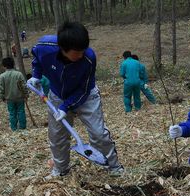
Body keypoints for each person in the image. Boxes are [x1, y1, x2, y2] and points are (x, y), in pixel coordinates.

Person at [27, 22, 123, 178]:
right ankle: (61, 169)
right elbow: (36, 57)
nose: (81, 55)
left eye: (83, 50)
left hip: (86, 96)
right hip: (57, 95)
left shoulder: (89, 58)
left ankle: (114, 166)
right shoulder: (45, 46)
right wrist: (36, 75)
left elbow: (83, 90)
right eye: (76, 52)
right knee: (57, 136)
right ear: (63, 48)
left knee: (98, 134)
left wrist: (65, 108)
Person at [0, 57, 28, 131]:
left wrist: (2, 97)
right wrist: (26, 95)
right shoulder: (19, 74)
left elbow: (1, 88)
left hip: (9, 98)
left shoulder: (2, 76)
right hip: (20, 97)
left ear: (4, 66)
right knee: (21, 111)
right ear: (13, 64)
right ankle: (22, 127)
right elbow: (24, 86)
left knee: (12, 113)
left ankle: (14, 128)